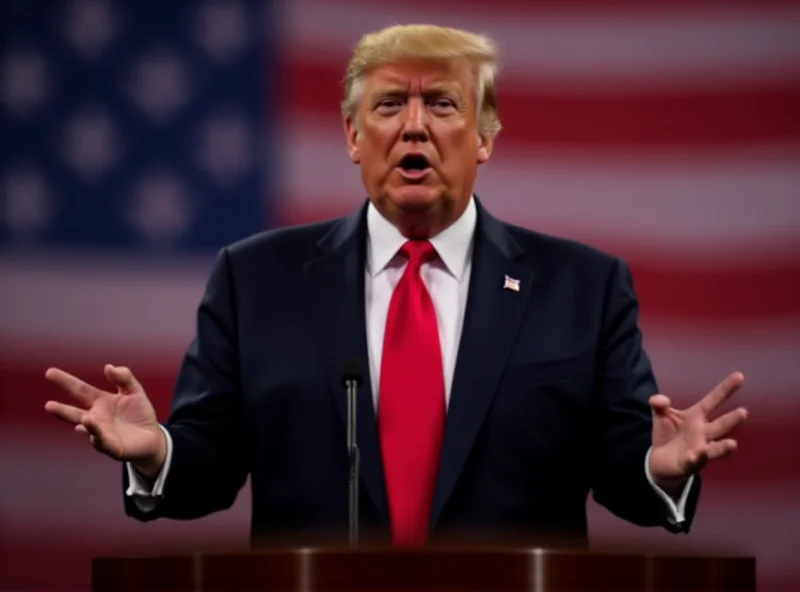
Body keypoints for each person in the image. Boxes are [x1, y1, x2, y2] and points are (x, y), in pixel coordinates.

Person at [44, 24, 748, 549]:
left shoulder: (582, 287)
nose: (414, 126)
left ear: (485, 135)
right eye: (388, 107)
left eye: (442, 104)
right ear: (352, 135)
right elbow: (212, 462)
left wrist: (662, 467)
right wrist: (158, 453)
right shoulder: (256, 279)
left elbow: (623, 468)